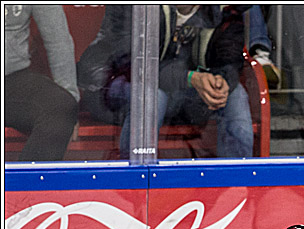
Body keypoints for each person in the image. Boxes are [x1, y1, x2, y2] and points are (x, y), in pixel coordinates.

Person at [114, 5, 253, 159]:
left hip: (191, 93)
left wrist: (221, 81)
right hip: (132, 84)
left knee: (236, 95)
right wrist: (189, 78)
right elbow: (134, 64)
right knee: (151, 98)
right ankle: (137, 170)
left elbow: (231, 59)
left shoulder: (224, 10)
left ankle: (237, 171)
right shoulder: (141, 7)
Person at [4, 4, 80, 162]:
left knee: (61, 105)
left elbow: (58, 40)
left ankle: (27, 178)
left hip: (12, 78)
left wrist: (71, 102)